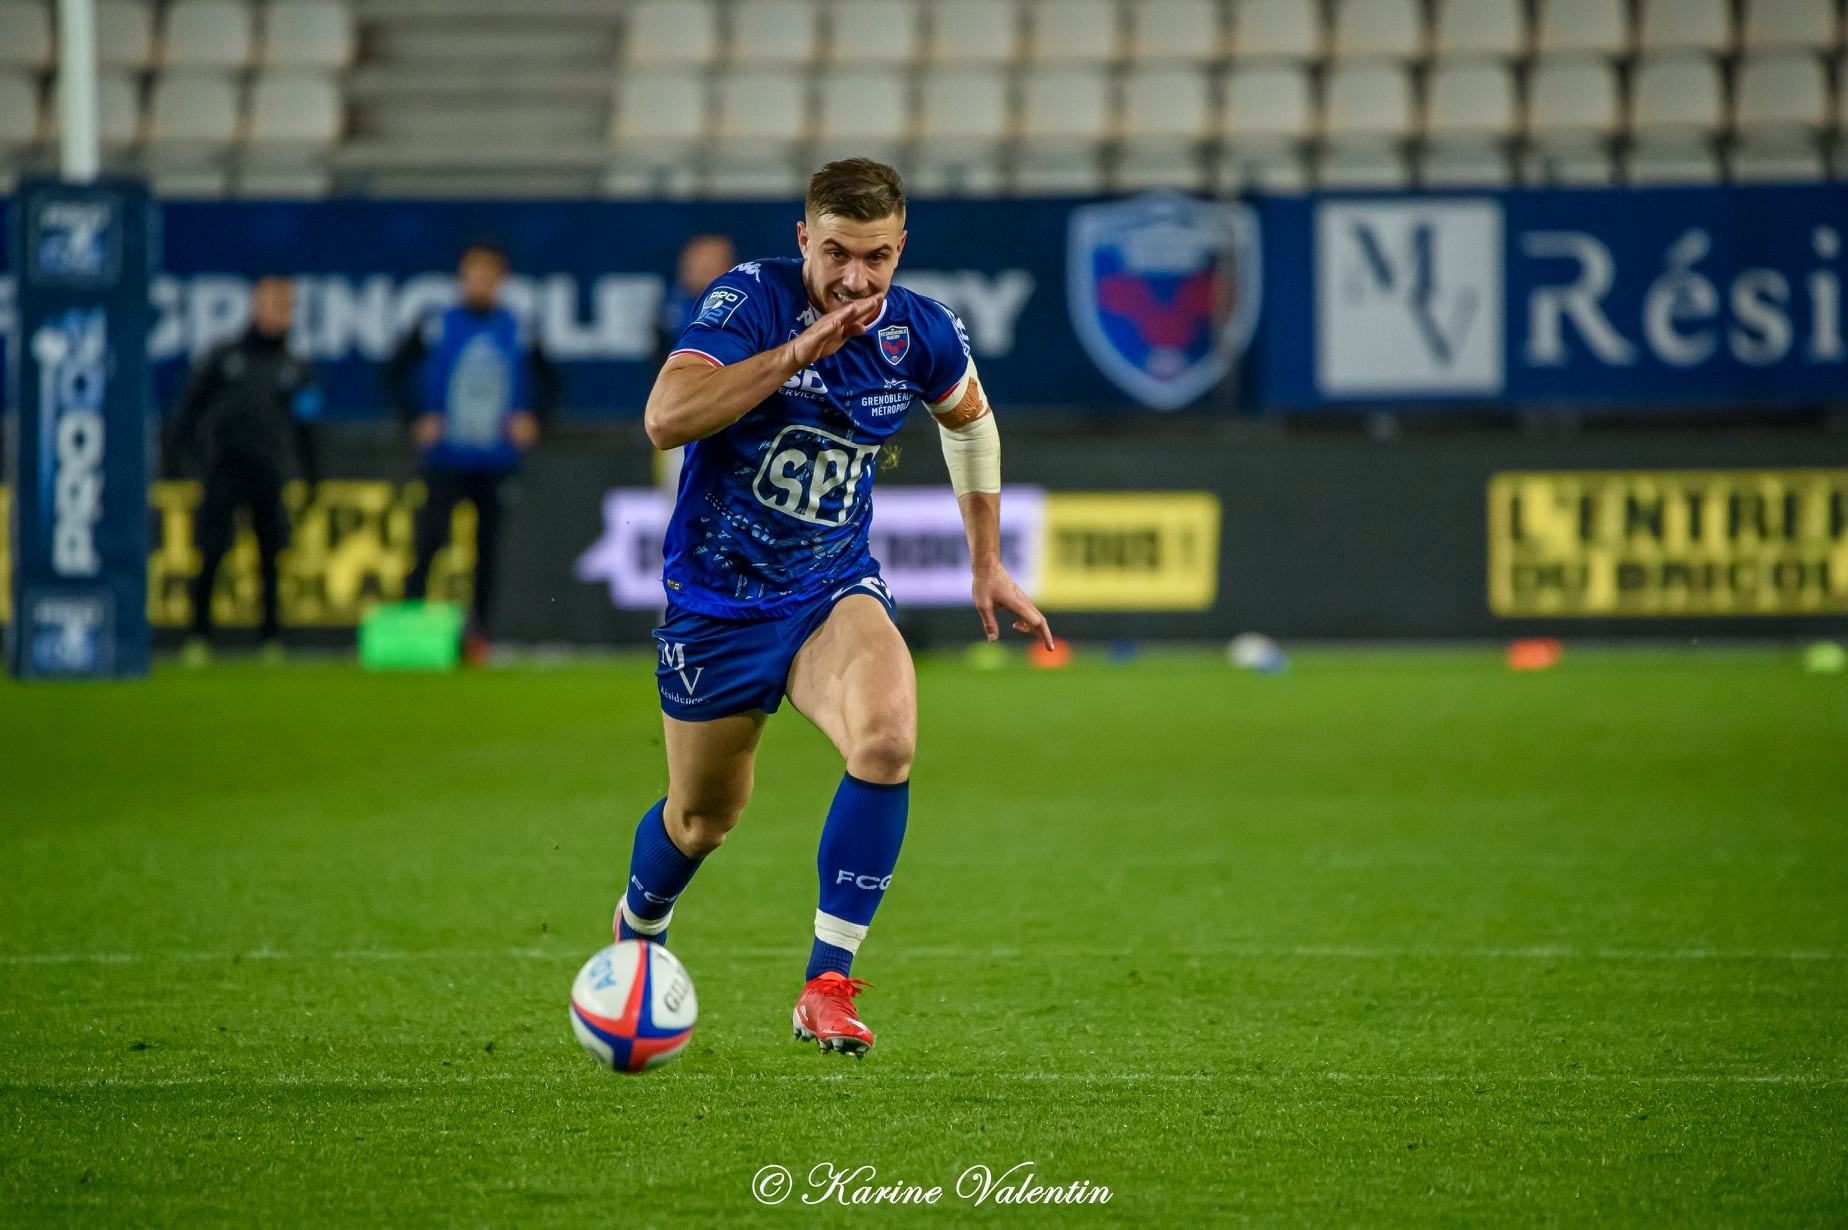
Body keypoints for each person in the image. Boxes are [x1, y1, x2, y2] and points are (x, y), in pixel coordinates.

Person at [613, 158, 1052, 1058]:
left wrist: (986, 564)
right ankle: (638, 927)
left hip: (829, 588)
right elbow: (665, 417)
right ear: (804, 240)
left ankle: (826, 984)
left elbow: (970, 420)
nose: (857, 278)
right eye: (839, 253)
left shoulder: (918, 332)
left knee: (888, 736)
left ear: (900, 251)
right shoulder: (751, 303)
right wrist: (796, 357)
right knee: (703, 820)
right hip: (717, 603)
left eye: (878, 258)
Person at [386, 239, 559, 665]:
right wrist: (415, 418)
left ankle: (479, 634)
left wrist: (533, 416)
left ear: (500, 279)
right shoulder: (436, 324)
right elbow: (393, 371)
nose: (481, 281)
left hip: (495, 460)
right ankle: (411, 629)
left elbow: (550, 380)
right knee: (430, 542)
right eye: (474, 272)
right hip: (445, 458)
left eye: (489, 273)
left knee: (487, 551)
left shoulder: (518, 327)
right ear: (462, 277)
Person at [168, 275, 321, 666]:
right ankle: (199, 635)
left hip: (269, 473)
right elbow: (188, 412)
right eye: (271, 302)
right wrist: (184, 463)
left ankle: (271, 638)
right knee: (213, 551)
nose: (278, 311)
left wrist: (310, 474)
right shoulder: (224, 357)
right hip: (224, 469)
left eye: (285, 305)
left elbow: (306, 426)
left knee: (271, 555)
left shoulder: (296, 366)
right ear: (255, 304)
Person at [653, 234, 738, 495]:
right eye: (694, 262)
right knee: (679, 509)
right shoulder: (673, 305)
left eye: (709, 263)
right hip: (682, 420)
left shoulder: (745, 306)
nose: (699, 270)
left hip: (731, 420)